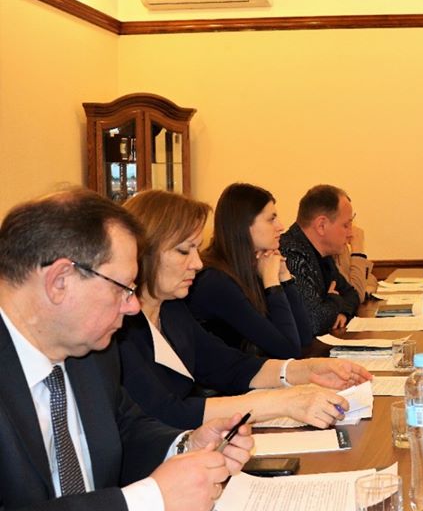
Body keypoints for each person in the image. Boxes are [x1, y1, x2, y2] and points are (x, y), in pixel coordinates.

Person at [0, 188, 253, 511]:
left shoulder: (93, 352)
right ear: (59, 281)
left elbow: (124, 429)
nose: (133, 306)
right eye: (123, 288)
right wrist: (145, 505)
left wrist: (186, 447)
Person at [118, 190, 372, 430]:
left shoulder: (172, 310)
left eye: (196, 249)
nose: (197, 263)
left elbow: (231, 366)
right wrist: (284, 402)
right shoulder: (121, 328)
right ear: (143, 253)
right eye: (184, 251)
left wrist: (307, 370)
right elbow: (167, 412)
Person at [186, 183, 313, 358]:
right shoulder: (215, 281)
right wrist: (272, 283)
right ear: (244, 225)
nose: (281, 226)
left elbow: (305, 338)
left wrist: (284, 277)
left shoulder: (254, 266)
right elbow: (288, 351)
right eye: (271, 219)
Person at [281, 184, 361, 334]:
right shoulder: (290, 253)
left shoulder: (323, 255)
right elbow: (314, 321)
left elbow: (351, 294)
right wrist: (334, 299)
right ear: (321, 226)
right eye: (346, 225)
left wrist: (343, 312)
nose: (351, 234)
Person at [334, 224, 378, 303]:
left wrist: (364, 290)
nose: (351, 233)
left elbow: (371, 280)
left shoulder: (343, 249)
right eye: (345, 225)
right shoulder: (326, 254)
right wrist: (358, 249)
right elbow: (356, 295)